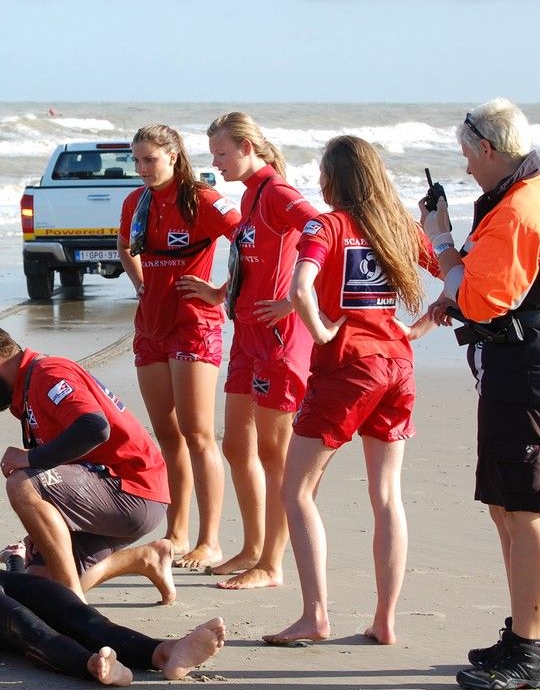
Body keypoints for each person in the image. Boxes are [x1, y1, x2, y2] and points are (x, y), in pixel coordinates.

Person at [420, 99, 540, 690]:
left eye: (466, 155)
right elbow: (497, 281)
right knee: (507, 505)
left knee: (527, 512)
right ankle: (523, 634)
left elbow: (480, 300)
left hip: (531, 374)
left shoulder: (516, 212)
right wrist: (454, 247)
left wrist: (440, 241)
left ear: (488, 148)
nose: (464, 169)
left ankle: (531, 650)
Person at [263, 135, 437, 648]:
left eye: (322, 171)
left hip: (347, 369)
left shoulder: (328, 224)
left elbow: (299, 287)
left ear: (333, 177)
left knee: (295, 490)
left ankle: (315, 615)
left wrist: (319, 333)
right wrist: (417, 328)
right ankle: (384, 620)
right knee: (386, 495)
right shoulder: (396, 227)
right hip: (397, 365)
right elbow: (455, 277)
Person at [178, 113, 320, 588]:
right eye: (213, 155)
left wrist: (297, 298)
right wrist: (221, 293)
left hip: (279, 338)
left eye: (221, 153)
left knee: (275, 453)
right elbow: (253, 261)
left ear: (246, 146)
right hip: (246, 335)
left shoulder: (277, 191)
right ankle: (253, 547)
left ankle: (272, 565)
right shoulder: (250, 194)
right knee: (238, 446)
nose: (215, 163)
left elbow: (323, 231)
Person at [0, 319, 176, 605]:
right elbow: (59, 469)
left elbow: (94, 427)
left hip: (133, 489)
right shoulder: (26, 389)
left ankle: (75, 603)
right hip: (107, 492)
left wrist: (29, 457)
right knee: (41, 591)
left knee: (21, 480)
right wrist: (38, 528)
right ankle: (145, 558)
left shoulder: (48, 373)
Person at [117, 124, 241, 568]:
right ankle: (177, 532)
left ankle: (211, 540)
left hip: (194, 325)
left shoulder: (203, 199)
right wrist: (141, 285)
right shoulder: (137, 201)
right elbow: (125, 245)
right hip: (151, 326)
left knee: (199, 433)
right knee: (167, 434)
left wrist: (220, 292)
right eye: (136, 160)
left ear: (173, 156)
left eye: (150, 159)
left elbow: (251, 240)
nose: (142, 169)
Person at [0, 549, 227, 686]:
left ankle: (164, 652)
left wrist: (14, 561)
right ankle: (92, 664)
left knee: (78, 613)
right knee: (25, 626)